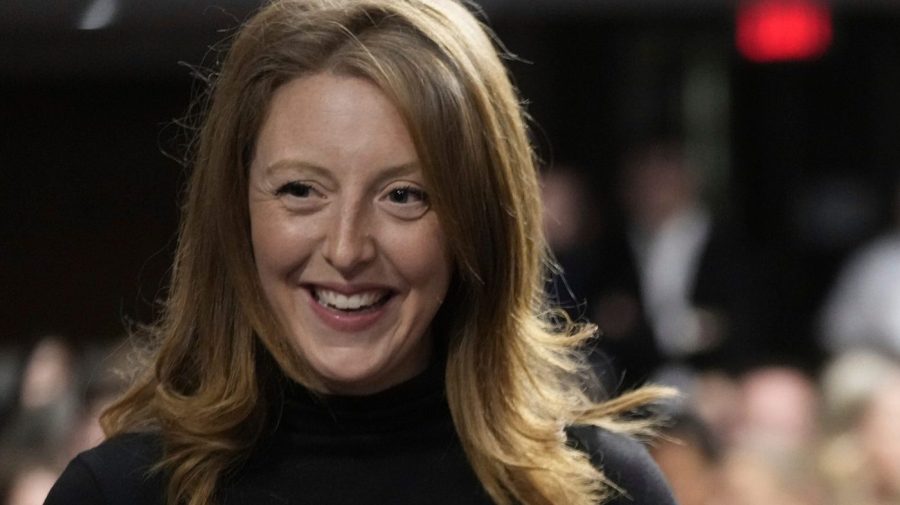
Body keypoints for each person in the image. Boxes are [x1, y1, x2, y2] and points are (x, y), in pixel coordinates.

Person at [45, 1, 676, 504]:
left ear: (478, 222)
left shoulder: (600, 490)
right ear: (236, 213)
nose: (346, 249)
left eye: (404, 196)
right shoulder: (119, 493)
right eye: (301, 191)